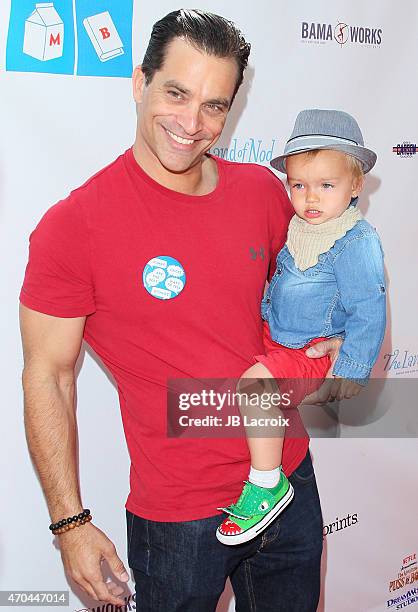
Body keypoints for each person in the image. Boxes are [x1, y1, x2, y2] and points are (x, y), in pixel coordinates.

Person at [19, 10, 344, 612]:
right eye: (176, 93)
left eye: (215, 105)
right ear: (139, 82)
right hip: (179, 515)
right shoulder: (75, 227)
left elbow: (303, 296)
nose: (192, 123)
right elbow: (49, 375)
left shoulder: (263, 193)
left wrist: (333, 335)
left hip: (286, 479)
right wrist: (69, 525)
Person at [216, 109, 386, 545]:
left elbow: (369, 308)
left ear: (355, 185)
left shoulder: (356, 241)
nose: (310, 198)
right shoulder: (300, 225)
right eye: (298, 185)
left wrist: (350, 366)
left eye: (326, 186)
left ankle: (266, 482)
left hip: (310, 351)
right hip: (277, 337)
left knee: (255, 389)